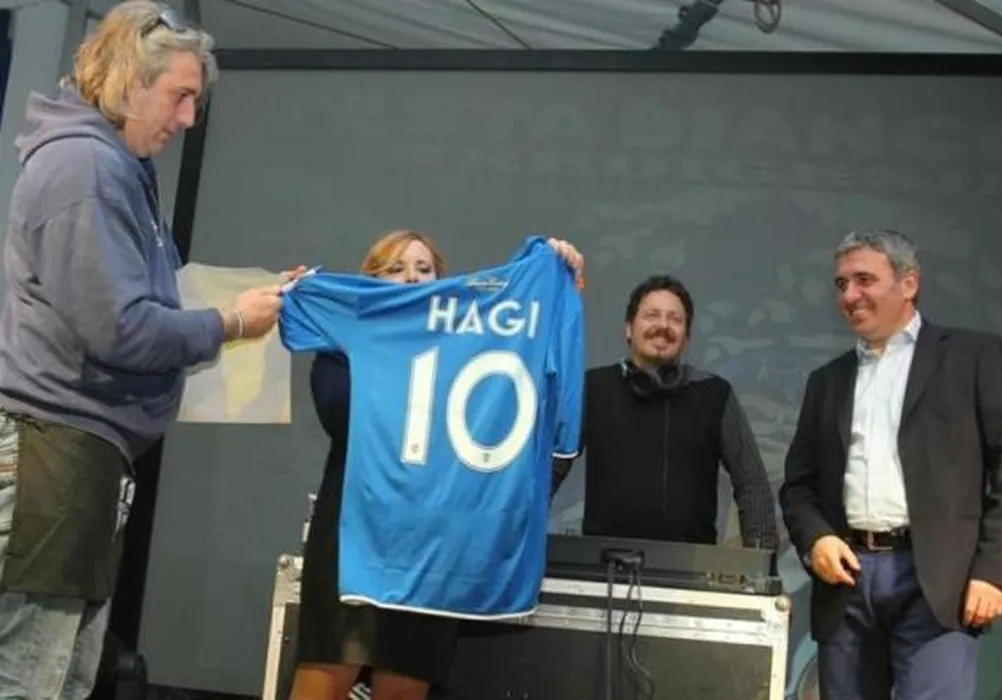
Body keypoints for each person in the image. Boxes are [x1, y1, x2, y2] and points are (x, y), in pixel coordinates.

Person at [0, 3, 288, 697]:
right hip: (54, 457)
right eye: (180, 96)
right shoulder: (86, 168)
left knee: (62, 678)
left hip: (81, 460)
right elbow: (122, 329)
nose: (187, 118)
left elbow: (140, 305)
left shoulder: (113, 167)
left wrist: (249, 303)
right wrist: (230, 321)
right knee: (31, 679)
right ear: (130, 83)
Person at [289, 229, 584, 700]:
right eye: (395, 269)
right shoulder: (343, 343)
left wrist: (551, 281)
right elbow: (342, 415)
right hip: (354, 540)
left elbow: (520, 392)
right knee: (323, 686)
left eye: (424, 270)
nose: (411, 278)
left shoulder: (469, 350)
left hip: (430, 551)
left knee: (402, 690)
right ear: (369, 283)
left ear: (442, 286)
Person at [778, 228, 1002, 700]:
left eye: (864, 280)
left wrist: (994, 572)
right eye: (841, 284)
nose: (849, 295)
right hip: (847, 584)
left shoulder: (972, 356)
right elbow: (799, 485)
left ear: (909, 283)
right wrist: (816, 538)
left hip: (939, 581)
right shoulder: (827, 381)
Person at [552, 274, 779, 549]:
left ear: (686, 337)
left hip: (692, 569)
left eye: (675, 319)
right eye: (651, 315)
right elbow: (551, 467)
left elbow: (752, 483)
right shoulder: (592, 388)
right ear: (629, 329)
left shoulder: (715, 394)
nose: (663, 326)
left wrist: (761, 562)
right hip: (605, 565)